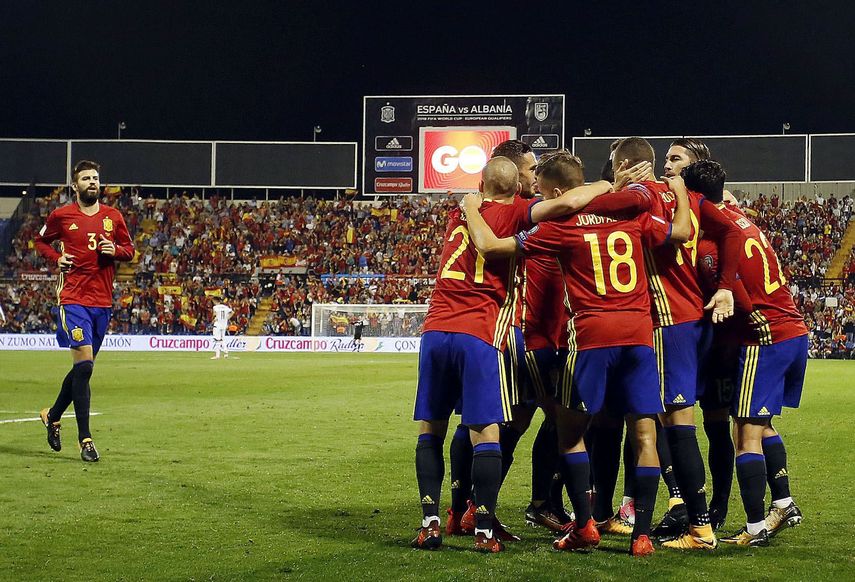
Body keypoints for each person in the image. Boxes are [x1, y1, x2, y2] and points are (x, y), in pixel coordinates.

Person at [461, 150, 695, 556]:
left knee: (569, 433)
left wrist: (471, 211)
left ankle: (584, 524)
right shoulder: (632, 215)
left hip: (591, 336)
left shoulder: (559, 226)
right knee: (645, 434)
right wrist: (677, 191)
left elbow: (496, 247)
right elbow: (679, 232)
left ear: (554, 190)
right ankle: (641, 535)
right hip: (640, 333)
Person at [411, 157, 611, 553]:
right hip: (480, 332)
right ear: (515, 186)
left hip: (435, 330)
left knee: (430, 430)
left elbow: (484, 212)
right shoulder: (519, 211)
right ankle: (484, 529)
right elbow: (569, 203)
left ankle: (431, 523)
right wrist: (607, 185)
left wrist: (471, 205)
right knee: (486, 432)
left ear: (480, 183)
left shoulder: (460, 212)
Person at [682, 160, 807, 547]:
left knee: (745, 433)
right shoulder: (740, 221)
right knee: (764, 424)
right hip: (793, 330)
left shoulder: (710, 245)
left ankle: (755, 527)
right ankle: (783, 503)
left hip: (764, 337)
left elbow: (738, 294)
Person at [35, 160, 135, 462]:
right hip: (73, 298)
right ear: (75, 185)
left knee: (83, 369)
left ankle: (52, 416)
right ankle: (85, 440)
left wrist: (114, 251)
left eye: (95, 178)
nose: (92, 182)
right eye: (86, 178)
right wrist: (56, 258)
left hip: (102, 303)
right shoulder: (61, 216)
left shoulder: (113, 217)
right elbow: (40, 241)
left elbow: (129, 251)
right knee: (86, 367)